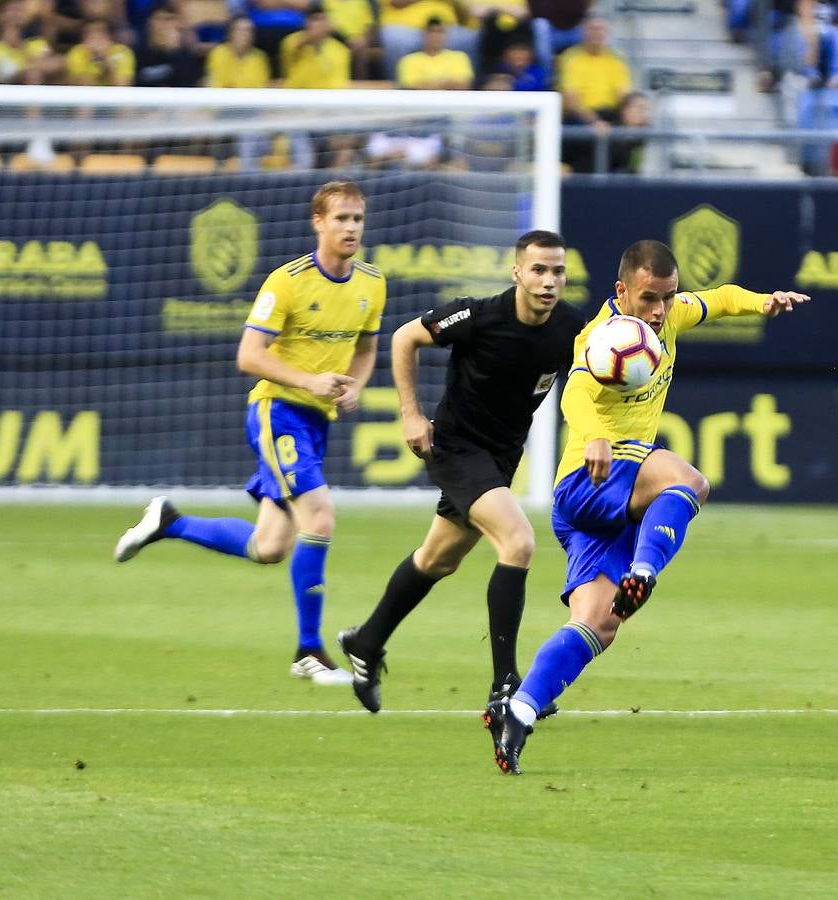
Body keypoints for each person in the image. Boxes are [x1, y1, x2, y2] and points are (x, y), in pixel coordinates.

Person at [492, 240, 810, 774]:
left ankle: (518, 712)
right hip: (587, 479)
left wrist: (762, 302)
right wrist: (592, 434)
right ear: (621, 291)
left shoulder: (668, 319)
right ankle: (644, 568)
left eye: (667, 297)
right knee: (688, 481)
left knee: (597, 624)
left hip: (608, 504)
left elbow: (721, 298)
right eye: (648, 298)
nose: (659, 310)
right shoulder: (601, 337)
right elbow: (574, 394)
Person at [114, 181, 385, 687]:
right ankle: (309, 652)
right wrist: (310, 381)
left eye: (358, 219)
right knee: (320, 518)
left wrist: (357, 387)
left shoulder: (372, 282)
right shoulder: (287, 281)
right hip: (277, 410)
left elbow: (367, 345)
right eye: (342, 218)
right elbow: (248, 356)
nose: (351, 228)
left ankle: (169, 522)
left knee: (269, 546)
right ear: (318, 222)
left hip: (316, 421)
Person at [335, 231, 584, 730]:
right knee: (518, 542)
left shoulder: (572, 327)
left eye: (557, 271)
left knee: (438, 558)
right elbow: (405, 337)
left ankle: (366, 641)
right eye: (538, 270)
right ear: (517, 272)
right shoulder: (480, 316)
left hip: (500, 457)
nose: (548, 281)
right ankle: (506, 684)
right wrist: (411, 414)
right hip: (456, 449)